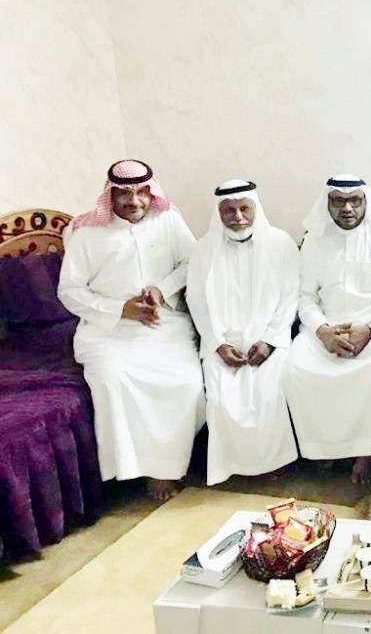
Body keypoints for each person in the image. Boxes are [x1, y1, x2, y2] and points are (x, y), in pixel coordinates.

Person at [57, 159, 204, 501]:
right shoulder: (86, 232)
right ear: (110, 195)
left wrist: (162, 290)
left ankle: (166, 466)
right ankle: (138, 470)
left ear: (152, 192)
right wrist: (120, 309)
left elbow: (192, 262)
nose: (133, 201)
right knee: (113, 381)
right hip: (107, 331)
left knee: (188, 384)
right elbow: (70, 291)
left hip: (163, 324)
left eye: (141, 193)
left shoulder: (168, 219)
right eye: (124, 194)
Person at [282, 174, 371, 484]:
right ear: (328, 204)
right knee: (295, 368)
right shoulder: (314, 239)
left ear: (366, 201)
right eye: (338, 201)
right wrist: (323, 331)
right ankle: (325, 448)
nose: (347, 208)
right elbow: (306, 298)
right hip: (326, 326)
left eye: (354, 200)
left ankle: (368, 452)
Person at [186, 180, 299, 486]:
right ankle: (233, 465)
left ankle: (274, 463)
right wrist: (218, 344)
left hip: (270, 340)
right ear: (219, 212)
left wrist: (270, 340)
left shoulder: (281, 243)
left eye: (244, 208)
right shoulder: (203, 249)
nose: (238, 217)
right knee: (220, 397)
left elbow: (291, 297)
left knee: (269, 391)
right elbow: (196, 302)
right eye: (229, 210)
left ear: (255, 208)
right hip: (222, 343)